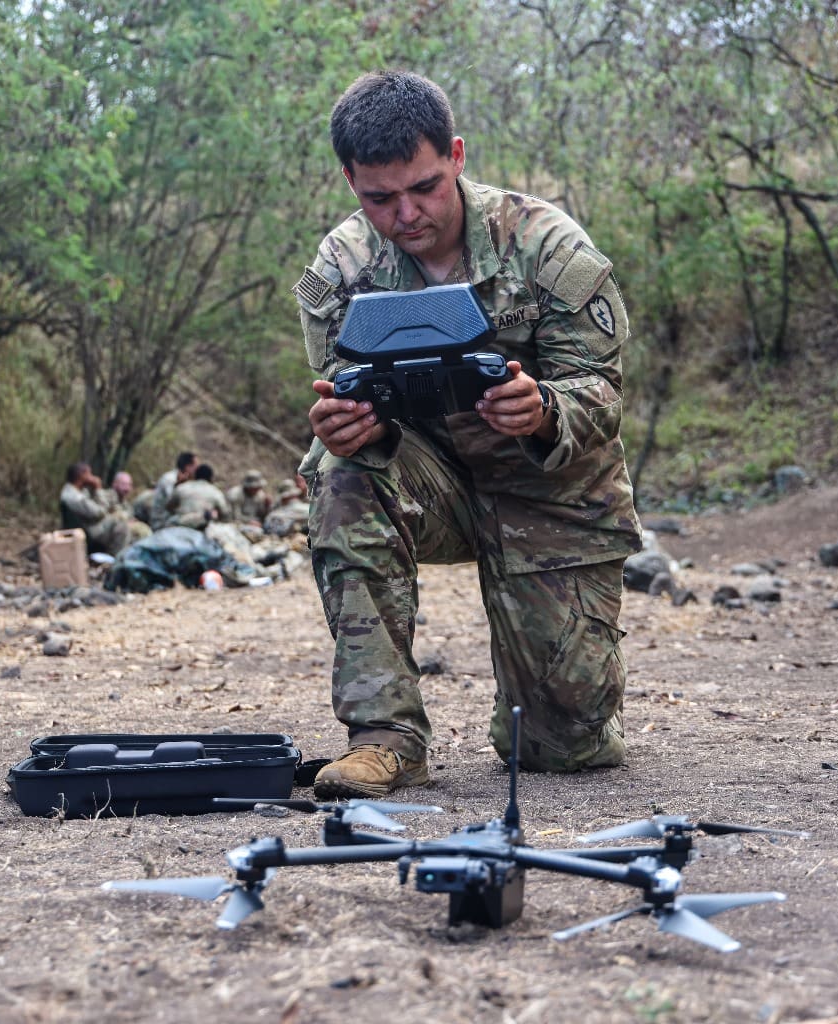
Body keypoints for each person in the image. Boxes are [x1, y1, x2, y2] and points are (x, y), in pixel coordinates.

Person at [294, 71, 641, 800]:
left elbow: (604, 391)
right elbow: (338, 390)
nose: (406, 214)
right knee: (339, 463)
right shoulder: (342, 271)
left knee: (561, 750)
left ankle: (545, 704)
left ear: (455, 154)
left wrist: (544, 407)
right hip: (434, 486)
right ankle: (385, 738)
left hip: (552, 495)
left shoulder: (544, 245)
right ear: (349, 181)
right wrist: (345, 423)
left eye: (423, 187)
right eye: (379, 198)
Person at [59, 462, 134, 556]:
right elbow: (100, 512)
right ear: (82, 475)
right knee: (121, 525)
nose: (92, 477)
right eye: (89, 474)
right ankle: (115, 559)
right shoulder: (74, 497)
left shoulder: (80, 491)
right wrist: (98, 489)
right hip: (89, 531)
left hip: (89, 526)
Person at [165, 463, 230, 529]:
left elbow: (169, 507)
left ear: (195, 475)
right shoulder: (216, 492)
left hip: (181, 525)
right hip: (203, 528)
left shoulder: (182, 488)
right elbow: (225, 514)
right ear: (211, 478)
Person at [150, 451, 198, 529]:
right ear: (188, 467)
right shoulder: (169, 479)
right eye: (195, 466)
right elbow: (173, 503)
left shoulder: (189, 482)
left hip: (172, 522)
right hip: (161, 523)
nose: (197, 469)